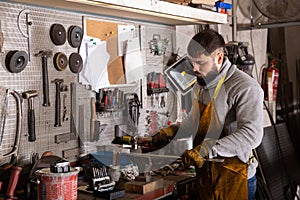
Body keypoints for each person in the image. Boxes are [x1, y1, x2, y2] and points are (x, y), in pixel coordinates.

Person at [145, 29, 264, 200]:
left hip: (235, 177)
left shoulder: (245, 87)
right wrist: (174, 131)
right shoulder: (202, 84)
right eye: (192, 62)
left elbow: (252, 135)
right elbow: (197, 122)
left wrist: (207, 150)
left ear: (219, 58)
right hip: (206, 175)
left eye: (201, 63)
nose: (194, 69)